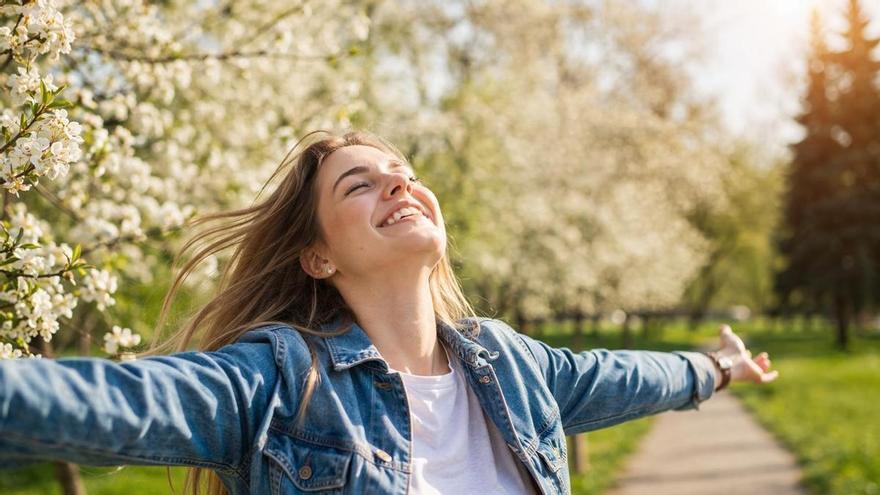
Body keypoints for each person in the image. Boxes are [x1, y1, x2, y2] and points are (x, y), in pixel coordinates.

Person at [0, 131, 778, 495]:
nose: (399, 186)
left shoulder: (510, 364)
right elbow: (120, 403)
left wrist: (715, 366)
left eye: (402, 174)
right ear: (319, 257)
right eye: (359, 185)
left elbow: (623, 376)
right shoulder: (280, 379)